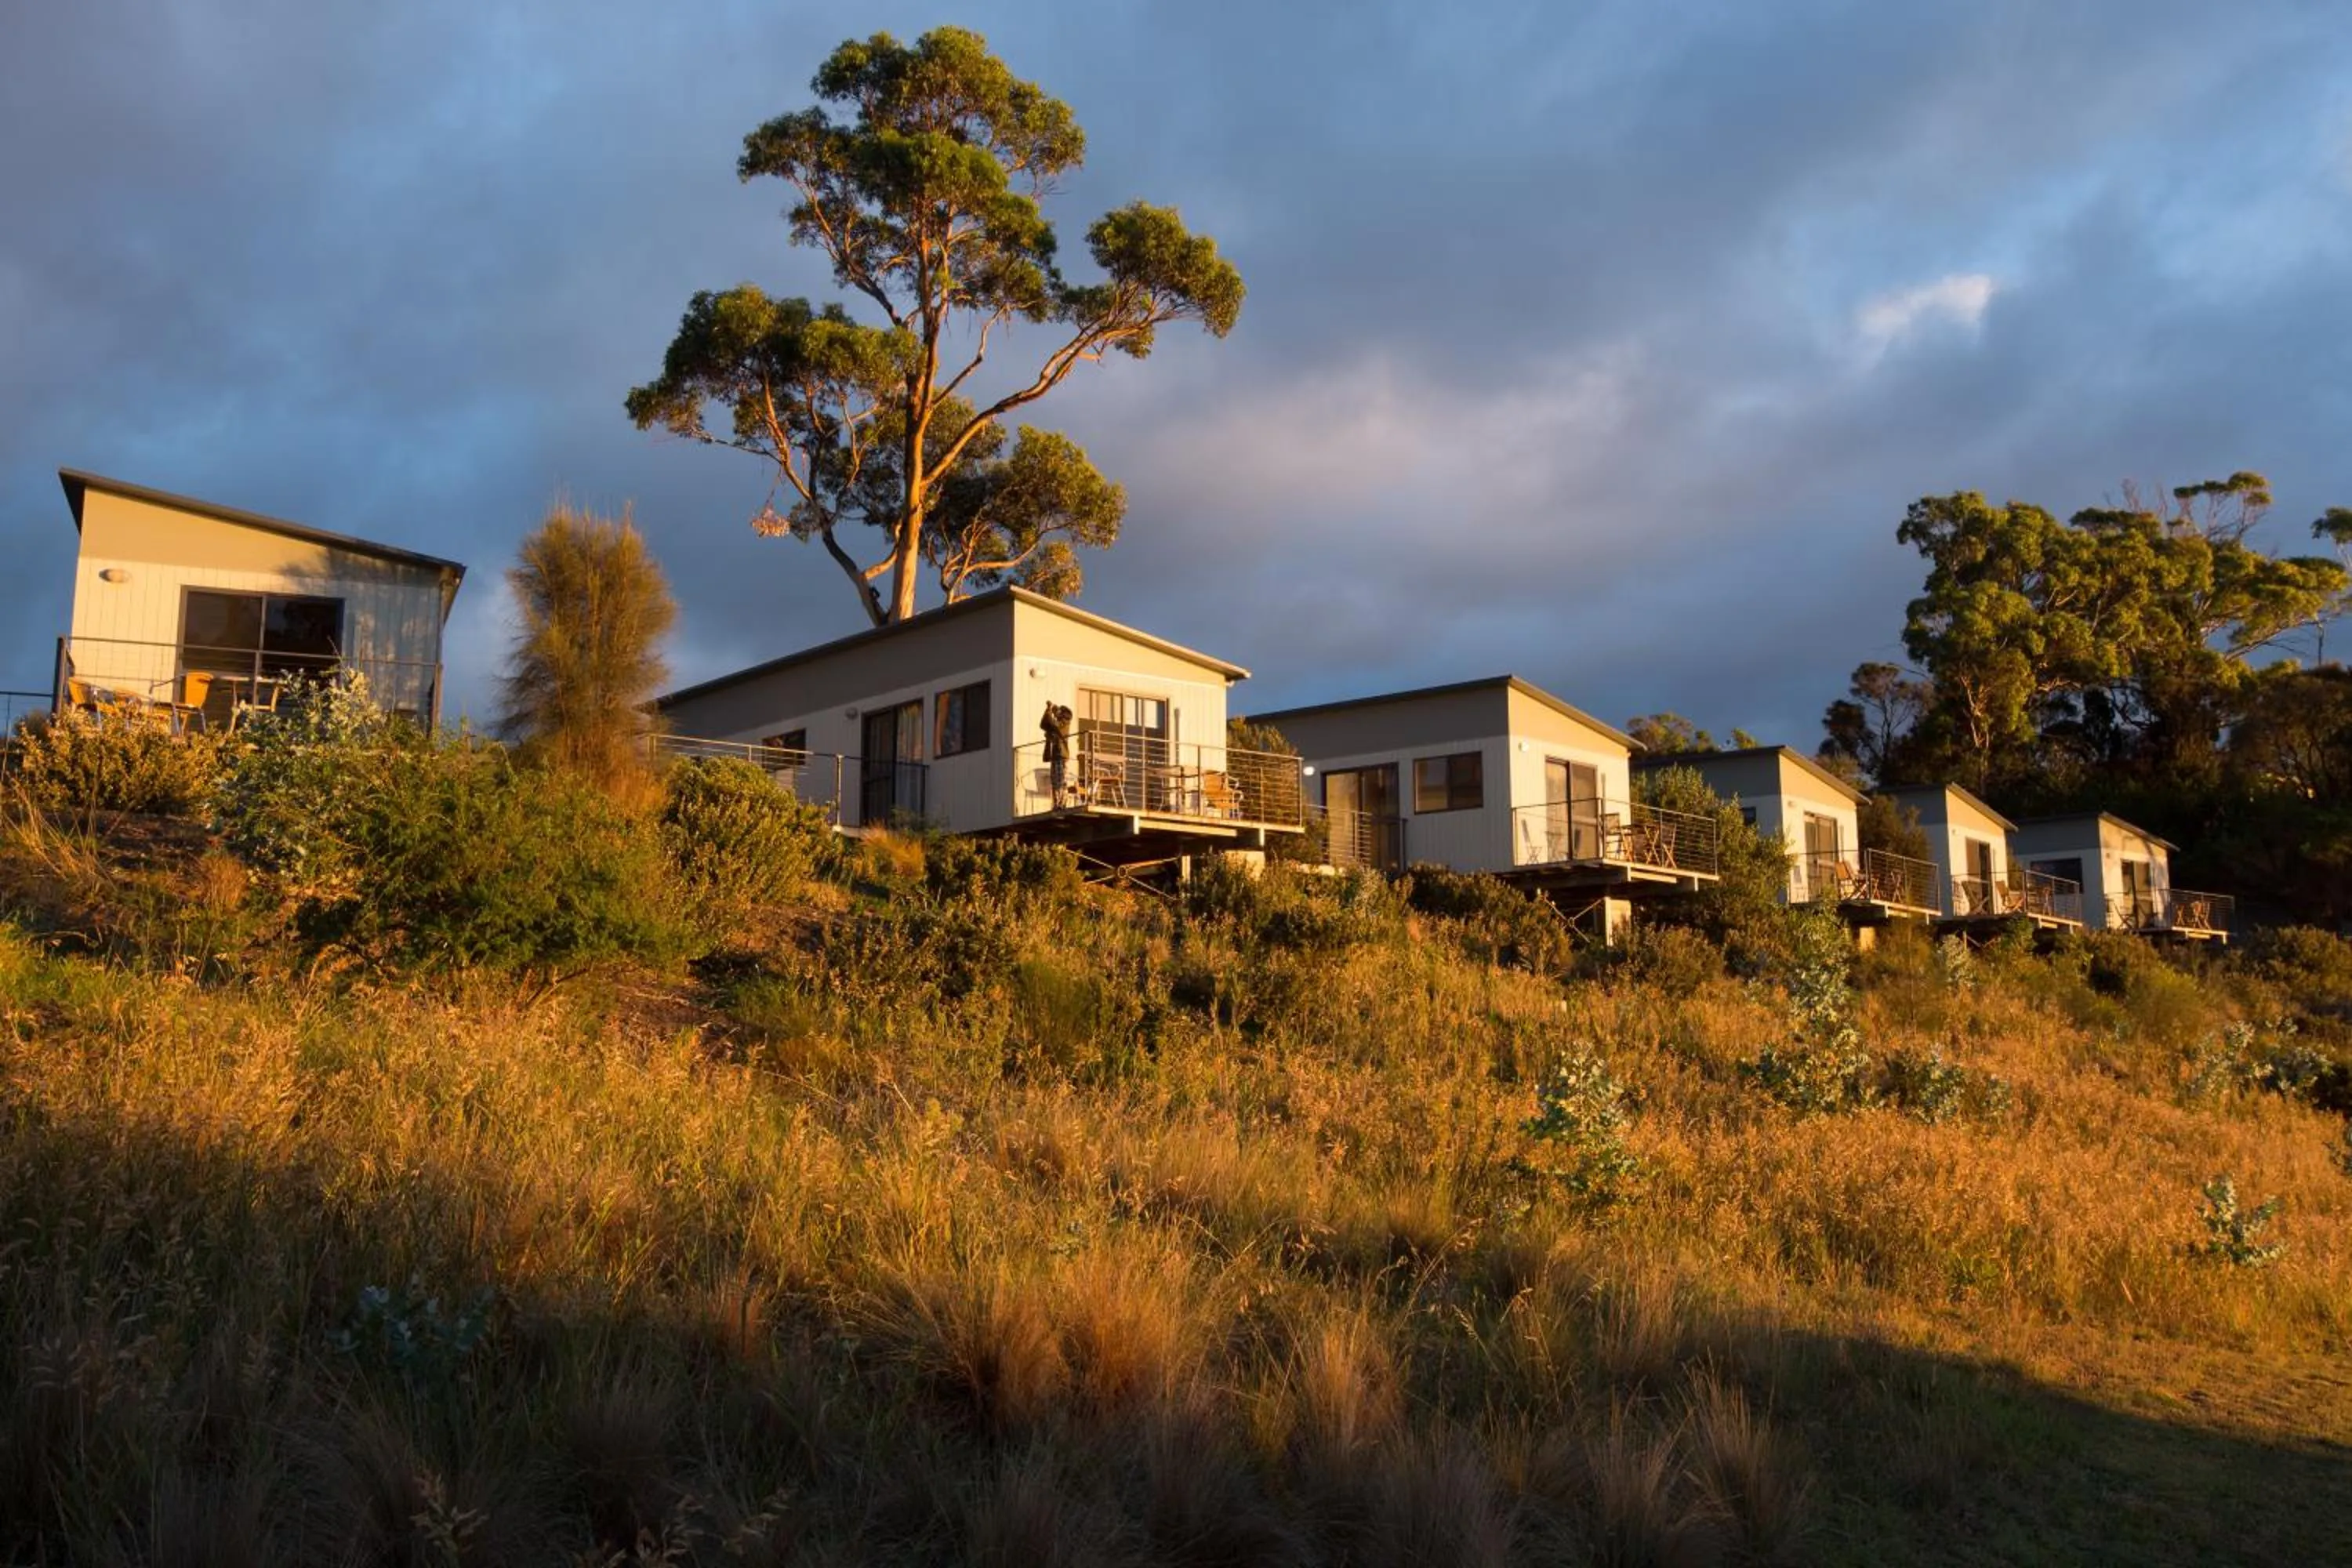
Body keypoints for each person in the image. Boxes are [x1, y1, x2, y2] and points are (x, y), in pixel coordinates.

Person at [1040, 702, 1073, 803]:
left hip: (1061, 756)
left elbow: (1052, 723)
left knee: (1061, 781)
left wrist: (1051, 709)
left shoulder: (1064, 723)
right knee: (1055, 781)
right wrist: (1048, 710)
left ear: (1064, 715)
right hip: (1055, 755)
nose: (1057, 714)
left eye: (1060, 712)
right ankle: (1056, 804)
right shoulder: (1058, 724)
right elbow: (1044, 724)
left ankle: (1062, 803)